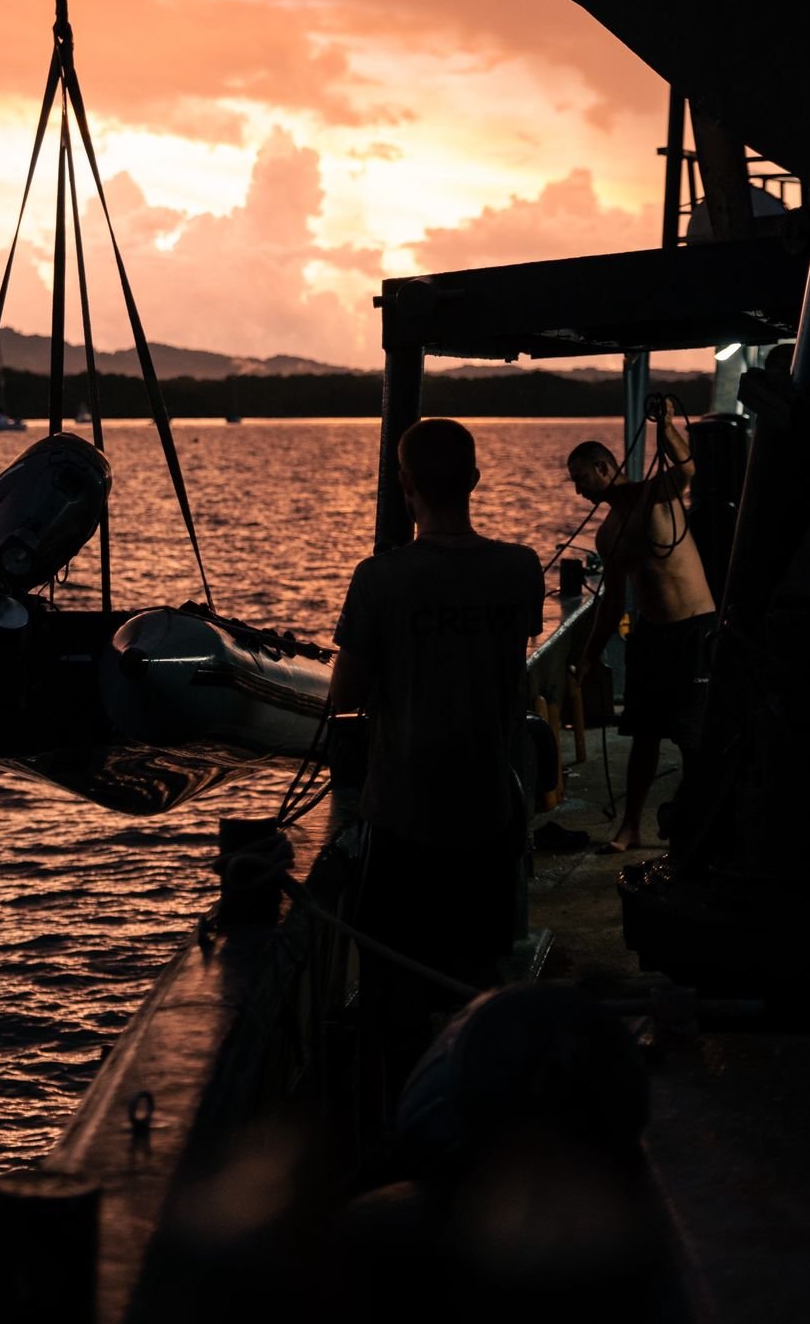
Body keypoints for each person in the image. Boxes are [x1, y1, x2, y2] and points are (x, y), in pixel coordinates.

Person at [329, 418, 544, 1118]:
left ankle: (404, 1125)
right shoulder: (520, 568)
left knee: (394, 991)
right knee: (476, 978)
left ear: (405, 486)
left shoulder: (379, 578)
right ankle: (481, 1122)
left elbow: (345, 699)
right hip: (486, 810)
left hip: (403, 816)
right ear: (475, 481)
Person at [567, 398, 715, 853]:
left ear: (603, 466)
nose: (579, 492)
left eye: (581, 480)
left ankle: (700, 827)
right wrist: (590, 654)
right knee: (645, 735)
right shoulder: (607, 532)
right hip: (651, 635)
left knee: (694, 737)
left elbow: (688, 469)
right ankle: (630, 827)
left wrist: (667, 425)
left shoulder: (657, 495)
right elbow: (612, 601)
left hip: (694, 629)